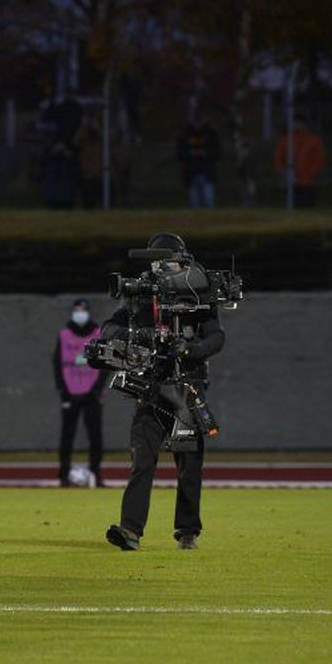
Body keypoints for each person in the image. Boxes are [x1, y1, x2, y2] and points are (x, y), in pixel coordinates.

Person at [104, 233, 225, 551]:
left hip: (186, 391)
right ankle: (130, 531)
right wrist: (139, 335)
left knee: (188, 467)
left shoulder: (198, 294)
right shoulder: (144, 293)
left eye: (165, 261)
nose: (160, 268)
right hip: (151, 388)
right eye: (156, 262)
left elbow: (216, 338)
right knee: (141, 461)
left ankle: (188, 531)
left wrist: (189, 350)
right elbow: (109, 327)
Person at [53, 299, 105, 488]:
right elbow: (57, 363)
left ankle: (96, 475)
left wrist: (97, 389)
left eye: (82, 310)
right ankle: (63, 476)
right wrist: (63, 390)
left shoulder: (98, 334)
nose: (79, 314)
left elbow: (105, 364)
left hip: (92, 393)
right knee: (67, 435)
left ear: (88, 312)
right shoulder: (64, 334)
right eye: (76, 310)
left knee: (95, 436)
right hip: (70, 392)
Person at [274, 116, 327, 208]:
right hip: (291, 180)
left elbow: (319, 158)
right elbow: (278, 158)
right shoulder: (285, 140)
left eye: (299, 123)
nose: (297, 126)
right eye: (295, 123)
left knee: (307, 205)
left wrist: (313, 172)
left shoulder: (313, 140)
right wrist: (282, 171)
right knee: (294, 204)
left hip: (308, 181)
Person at [176, 114, 220, 208]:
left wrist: (205, 153)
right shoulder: (186, 133)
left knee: (208, 198)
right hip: (191, 169)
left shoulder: (210, 133)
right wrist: (190, 154)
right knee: (195, 200)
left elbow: (216, 151)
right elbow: (180, 152)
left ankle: (209, 212)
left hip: (206, 169)